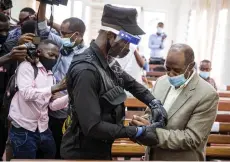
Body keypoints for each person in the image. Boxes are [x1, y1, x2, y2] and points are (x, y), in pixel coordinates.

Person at [60, 4, 167, 160]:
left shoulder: (107, 61)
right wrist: (137, 132)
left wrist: (154, 102)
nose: (127, 48)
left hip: (101, 147)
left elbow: (131, 84)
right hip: (82, 152)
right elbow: (93, 126)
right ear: (110, 35)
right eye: (126, 41)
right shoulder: (86, 71)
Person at [130, 44, 219, 161]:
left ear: (191, 66)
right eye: (167, 68)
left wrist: (152, 134)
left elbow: (191, 138)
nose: (170, 74)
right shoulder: (161, 82)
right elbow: (150, 114)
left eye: (177, 70)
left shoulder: (207, 94)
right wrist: (140, 125)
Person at [37, 2, 88, 159]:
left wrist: (66, 96)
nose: (61, 36)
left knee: (63, 150)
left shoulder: (86, 55)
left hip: (67, 109)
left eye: (65, 33)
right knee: (46, 150)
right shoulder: (62, 44)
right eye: (61, 32)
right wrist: (44, 3)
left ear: (77, 35)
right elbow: (43, 28)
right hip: (48, 106)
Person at [8, 40, 68, 159]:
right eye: (51, 55)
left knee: (51, 155)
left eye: (56, 56)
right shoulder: (27, 67)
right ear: (39, 52)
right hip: (23, 128)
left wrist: (70, 96)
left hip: (43, 128)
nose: (54, 59)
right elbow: (26, 93)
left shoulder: (50, 75)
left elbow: (51, 105)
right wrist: (55, 88)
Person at [0, 13, 28, 161]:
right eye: (0, 31)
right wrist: (8, 57)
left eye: (6, 30)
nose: (4, 34)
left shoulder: (9, 46)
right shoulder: (8, 53)